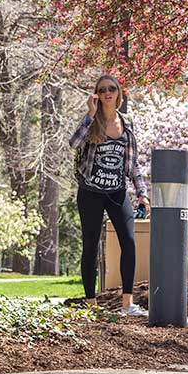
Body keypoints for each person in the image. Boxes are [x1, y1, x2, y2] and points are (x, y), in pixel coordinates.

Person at [68, 74, 151, 316]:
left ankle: (127, 304)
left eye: (112, 88)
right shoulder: (91, 122)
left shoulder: (127, 124)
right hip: (90, 193)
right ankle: (91, 304)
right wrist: (90, 114)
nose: (107, 92)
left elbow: (133, 164)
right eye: (102, 89)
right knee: (90, 247)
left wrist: (142, 194)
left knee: (129, 242)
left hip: (117, 192)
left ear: (118, 93)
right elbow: (73, 144)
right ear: (97, 94)